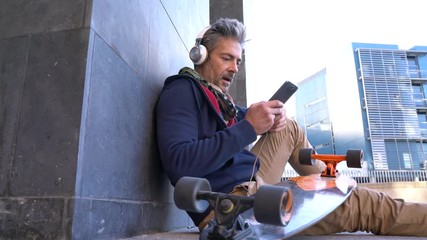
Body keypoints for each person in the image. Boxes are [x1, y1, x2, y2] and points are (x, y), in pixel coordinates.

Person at [156, 18, 427, 236]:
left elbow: (243, 125)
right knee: (361, 204)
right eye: (227, 58)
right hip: (231, 208)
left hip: (252, 183)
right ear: (200, 55)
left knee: (288, 127)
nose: (235, 68)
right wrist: (249, 127)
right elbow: (180, 164)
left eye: (238, 61)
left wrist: (270, 119)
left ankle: (329, 183)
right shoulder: (183, 91)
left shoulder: (220, 100)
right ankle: (343, 197)